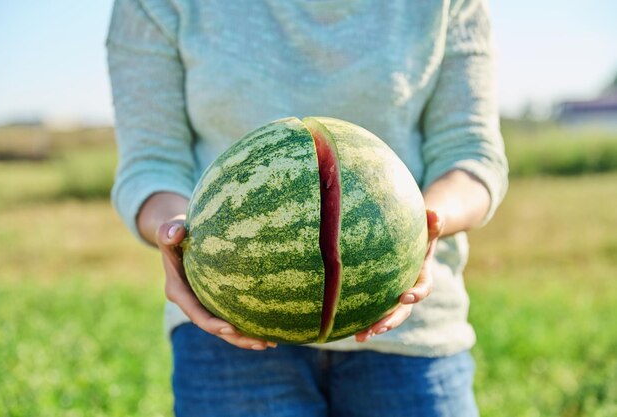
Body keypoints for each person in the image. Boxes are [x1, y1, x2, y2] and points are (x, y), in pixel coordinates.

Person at [107, 0, 508, 415]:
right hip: (228, 327)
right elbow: (151, 166)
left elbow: (470, 156)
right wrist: (176, 231)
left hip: (406, 319)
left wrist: (420, 226)